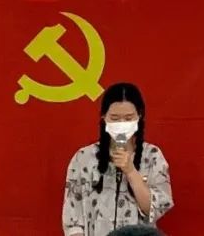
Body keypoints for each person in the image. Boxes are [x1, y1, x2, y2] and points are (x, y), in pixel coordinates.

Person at [63, 83, 174, 236]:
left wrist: (131, 171)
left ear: (139, 116)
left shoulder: (152, 156)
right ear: (104, 117)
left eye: (128, 118)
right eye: (115, 118)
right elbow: (72, 219)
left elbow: (155, 209)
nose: (122, 124)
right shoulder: (83, 158)